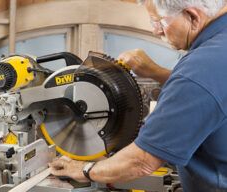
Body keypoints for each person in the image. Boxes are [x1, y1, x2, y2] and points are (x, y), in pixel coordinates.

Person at [49, 0, 227, 191]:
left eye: (159, 22)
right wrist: (155, 72)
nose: (156, 31)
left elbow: (142, 162)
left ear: (192, 16)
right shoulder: (218, 49)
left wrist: (85, 169)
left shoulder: (199, 69)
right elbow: (211, 94)